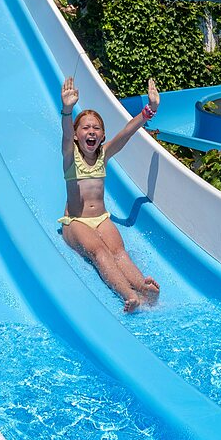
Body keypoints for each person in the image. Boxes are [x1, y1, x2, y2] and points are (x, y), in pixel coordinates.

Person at [60, 76, 162, 312]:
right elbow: (65, 135)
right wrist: (67, 110)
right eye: (85, 128)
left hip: (102, 218)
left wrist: (149, 110)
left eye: (96, 128)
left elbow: (126, 133)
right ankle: (128, 294)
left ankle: (142, 287)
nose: (91, 131)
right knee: (100, 252)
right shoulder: (69, 157)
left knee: (118, 252)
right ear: (77, 136)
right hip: (76, 222)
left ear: (103, 136)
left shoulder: (103, 156)